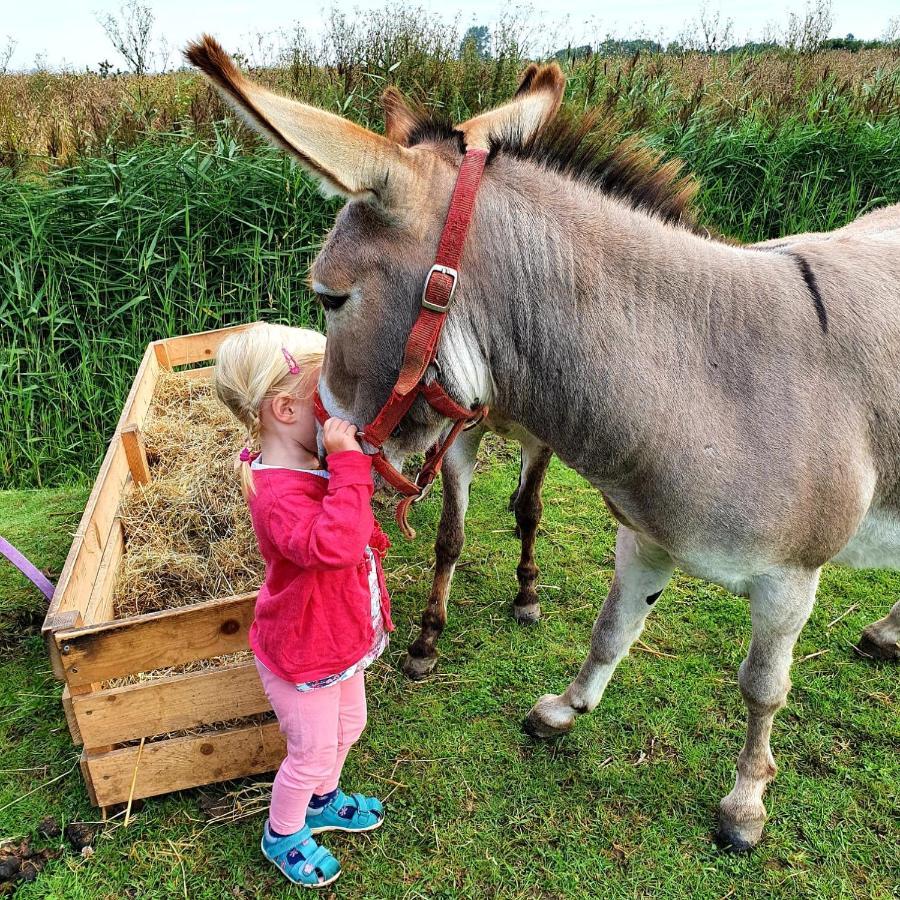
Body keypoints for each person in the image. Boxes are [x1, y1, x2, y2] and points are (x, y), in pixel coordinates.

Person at [214, 322, 393, 889]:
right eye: (330, 399)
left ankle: (322, 800)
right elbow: (334, 544)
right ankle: (284, 831)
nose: (344, 417)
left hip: (334, 640)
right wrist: (349, 467)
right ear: (287, 410)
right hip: (302, 653)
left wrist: (344, 477)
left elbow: (351, 529)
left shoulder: (306, 467)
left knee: (351, 725)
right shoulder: (278, 497)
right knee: (310, 751)